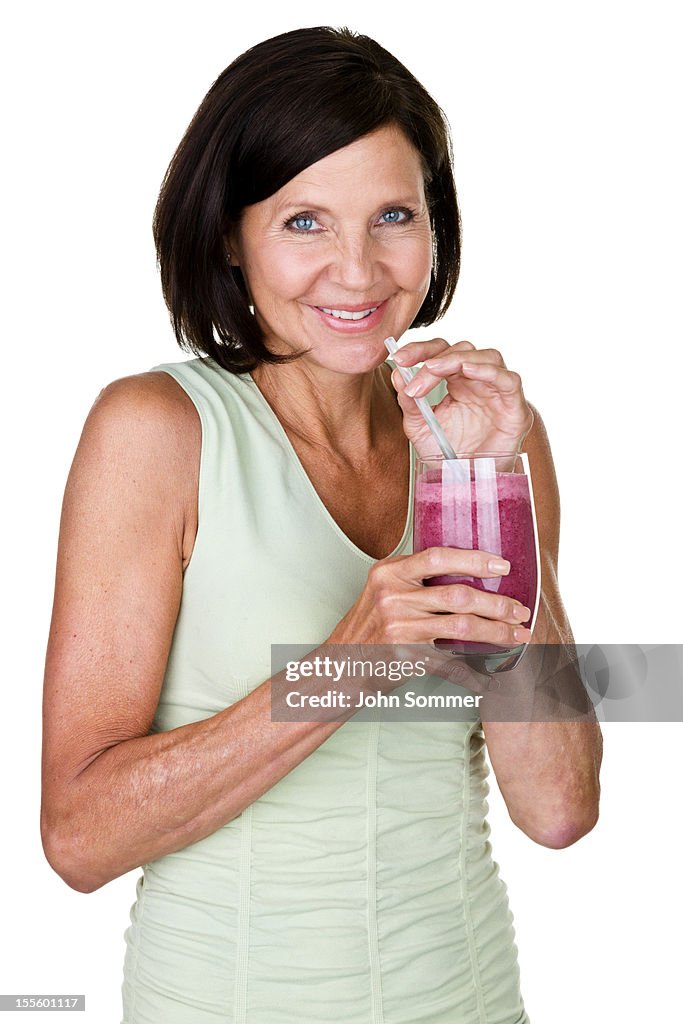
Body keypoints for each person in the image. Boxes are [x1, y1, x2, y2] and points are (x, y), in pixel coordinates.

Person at [40, 26, 602, 1024]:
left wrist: (484, 482)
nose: (357, 269)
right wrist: (347, 658)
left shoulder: (490, 436)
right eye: (304, 222)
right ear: (228, 234)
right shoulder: (157, 433)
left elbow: (555, 808)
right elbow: (80, 837)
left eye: (392, 215)